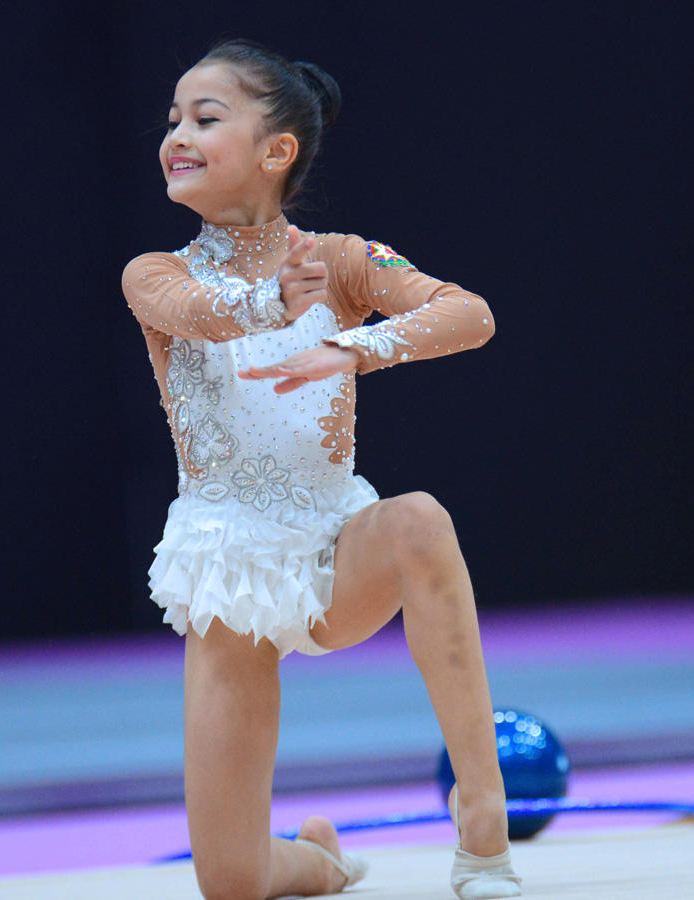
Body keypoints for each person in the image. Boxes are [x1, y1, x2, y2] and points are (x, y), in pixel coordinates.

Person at [121, 37, 523, 900]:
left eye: (205, 116)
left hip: (338, 549)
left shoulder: (342, 260)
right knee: (233, 883)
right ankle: (322, 859)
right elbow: (202, 313)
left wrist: (353, 344)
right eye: (172, 119)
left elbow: (472, 315)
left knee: (420, 520)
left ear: (277, 150)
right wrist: (273, 303)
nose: (176, 134)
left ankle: (483, 819)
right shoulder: (153, 275)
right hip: (229, 578)